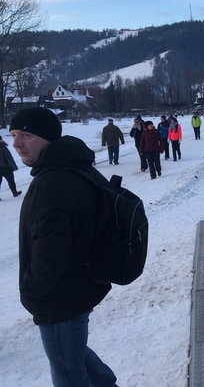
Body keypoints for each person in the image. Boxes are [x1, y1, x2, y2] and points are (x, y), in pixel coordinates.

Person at [9, 107, 118, 387]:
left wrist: (32, 293)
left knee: (69, 374)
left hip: (59, 298)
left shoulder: (53, 181)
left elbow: (51, 253)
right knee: (75, 357)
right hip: (78, 288)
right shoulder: (75, 166)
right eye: (13, 135)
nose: (16, 144)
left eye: (26, 135)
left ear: (47, 138)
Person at [0, 135, 22, 200]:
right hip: (6, 167)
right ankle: (14, 193)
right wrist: (14, 167)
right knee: (11, 181)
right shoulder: (3, 148)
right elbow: (9, 158)